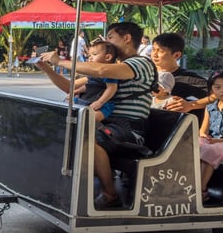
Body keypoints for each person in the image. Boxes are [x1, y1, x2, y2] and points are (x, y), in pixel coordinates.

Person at [40, 21, 156, 209]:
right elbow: (69, 87)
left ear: (126, 38)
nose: (106, 40)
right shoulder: (115, 68)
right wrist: (47, 68)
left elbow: (101, 69)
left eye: (110, 37)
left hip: (128, 129)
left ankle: (110, 194)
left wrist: (61, 61)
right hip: (108, 124)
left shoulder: (139, 63)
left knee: (85, 141)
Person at [37, 38, 118, 123]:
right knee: (67, 104)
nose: (90, 58)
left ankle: (81, 123)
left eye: (94, 55)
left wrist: (100, 102)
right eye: (89, 56)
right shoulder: (93, 74)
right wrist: (76, 91)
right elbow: (89, 86)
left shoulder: (109, 73)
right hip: (87, 99)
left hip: (101, 102)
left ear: (108, 57)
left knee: (94, 117)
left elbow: (111, 88)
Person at [151, 33, 209, 113]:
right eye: (153, 49)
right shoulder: (143, 73)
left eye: (161, 51)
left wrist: (191, 105)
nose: (154, 54)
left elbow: (218, 95)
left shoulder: (189, 79)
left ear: (176, 55)